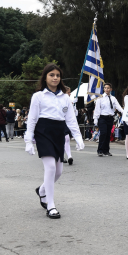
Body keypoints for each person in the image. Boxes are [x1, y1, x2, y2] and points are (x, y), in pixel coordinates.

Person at [24, 64, 84, 219]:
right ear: (45, 77)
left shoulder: (65, 97)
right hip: (43, 131)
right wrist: (28, 140)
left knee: (58, 172)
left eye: (58, 75)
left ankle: (42, 190)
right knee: (50, 167)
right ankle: (51, 205)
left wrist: (78, 137)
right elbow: (32, 119)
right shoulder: (38, 96)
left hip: (59, 132)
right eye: (52, 75)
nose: (55, 78)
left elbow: (71, 119)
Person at [94, 83, 123, 156]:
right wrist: (95, 119)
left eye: (108, 88)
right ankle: (100, 150)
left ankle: (106, 150)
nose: (106, 89)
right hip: (102, 117)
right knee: (103, 133)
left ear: (111, 89)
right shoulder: (100, 98)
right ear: (103, 89)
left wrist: (124, 112)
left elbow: (118, 107)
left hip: (110, 118)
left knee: (108, 134)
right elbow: (97, 109)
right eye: (105, 88)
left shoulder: (113, 98)